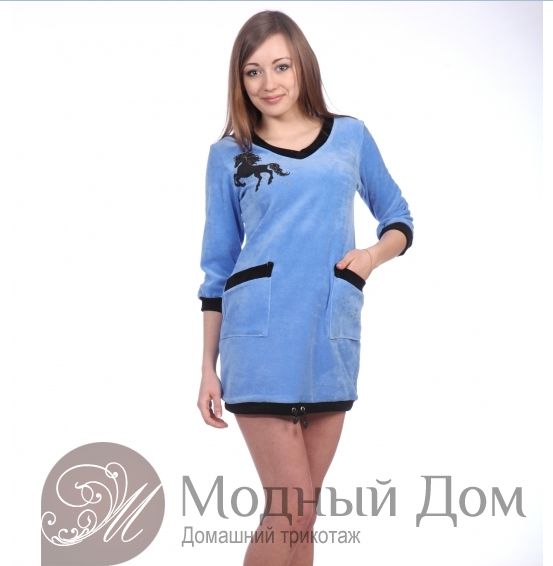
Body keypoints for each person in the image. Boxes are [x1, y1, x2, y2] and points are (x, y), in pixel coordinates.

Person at [196, 9, 413, 565]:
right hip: (258, 344)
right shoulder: (229, 155)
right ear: (240, 80)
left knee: (305, 513)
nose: (268, 83)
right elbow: (217, 268)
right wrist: (206, 368)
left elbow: (398, 218)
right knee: (289, 510)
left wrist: (370, 258)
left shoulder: (350, 136)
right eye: (252, 71)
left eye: (281, 66)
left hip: (330, 340)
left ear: (303, 66)